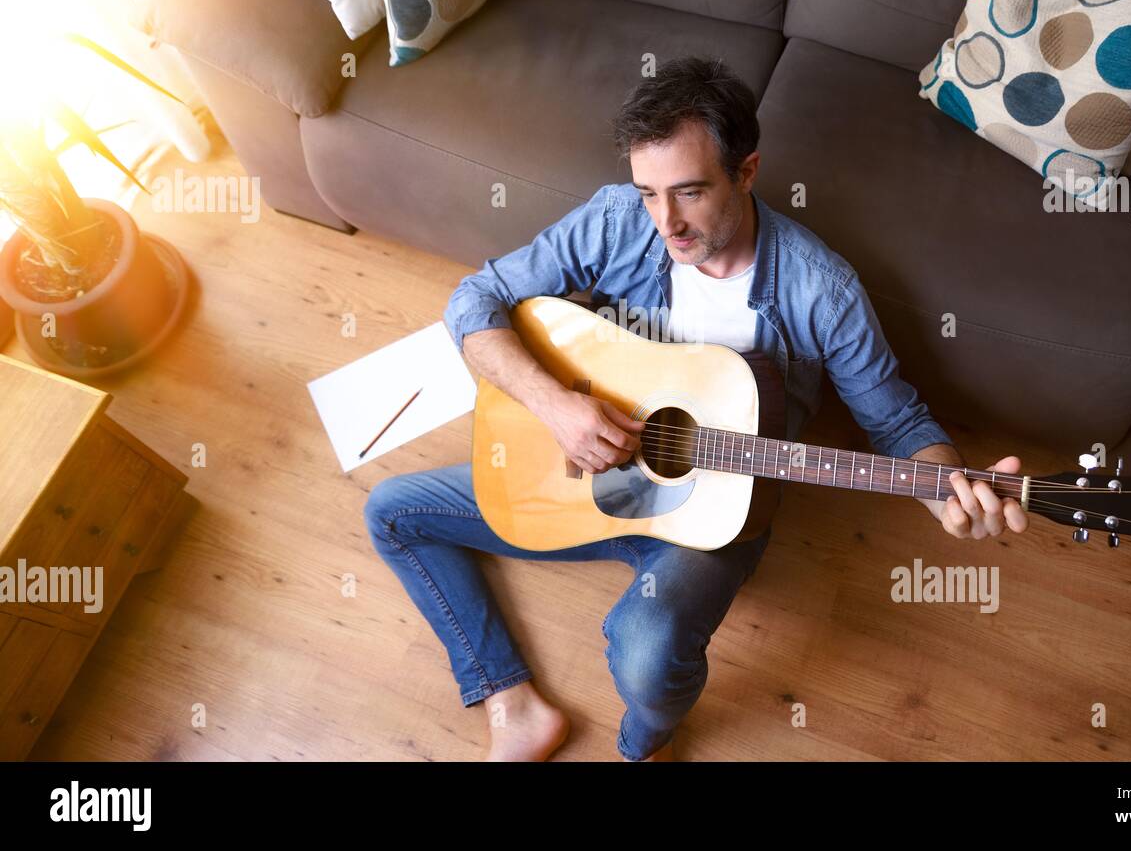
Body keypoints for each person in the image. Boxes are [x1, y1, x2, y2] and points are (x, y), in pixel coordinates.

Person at [363, 56, 1028, 762]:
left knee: (644, 655)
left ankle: (645, 742)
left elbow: (898, 423)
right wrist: (555, 405)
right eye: (648, 192)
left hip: (715, 516)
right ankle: (510, 697)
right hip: (583, 475)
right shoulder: (622, 219)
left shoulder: (821, 290)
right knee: (391, 512)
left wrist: (946, 493)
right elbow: (473, 301)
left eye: (688, 192)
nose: (666, 222)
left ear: (747, 171)